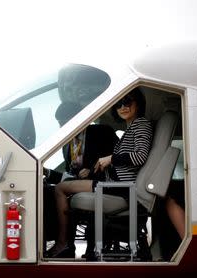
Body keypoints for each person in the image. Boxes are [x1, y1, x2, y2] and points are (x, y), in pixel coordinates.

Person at [45, 88, 153, 258]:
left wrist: (109, 159)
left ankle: (64, 244)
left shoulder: (139, 125)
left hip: (120, 187)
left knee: (60, 190)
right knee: (56, 189)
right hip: (114, 184)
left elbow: (139, 157)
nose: (123, 107)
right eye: (118, 103)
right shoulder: (130, 128)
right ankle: (66, 244)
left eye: (128, 102)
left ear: (138, 103)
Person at [43, 102, 118, 252]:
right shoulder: (67, 145)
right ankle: (58, 243)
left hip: (103, 183)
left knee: (59, 191)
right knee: (46, 193)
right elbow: (70, 176)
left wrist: (92, 170)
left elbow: (118, 159)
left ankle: (66, 243)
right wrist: (48, 173)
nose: (62, 127)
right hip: (77, 185)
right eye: (60, 123)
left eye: (65, 122)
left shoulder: (102, 132)